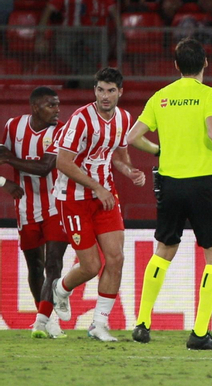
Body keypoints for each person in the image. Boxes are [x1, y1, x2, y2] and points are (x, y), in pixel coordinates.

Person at [124, 38, 212, 350]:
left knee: (164, 249)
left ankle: (142, 322)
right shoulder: (211, 95)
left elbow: (132, 137)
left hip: (169, 184)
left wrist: (158, 149)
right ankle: (199, 333)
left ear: (177, 66)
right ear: (206, 63)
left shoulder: (161, 96)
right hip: (203, 184)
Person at [48, 67, 148, 343]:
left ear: (120, 92)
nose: (105, 96)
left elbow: (118, 156)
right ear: (94, 91)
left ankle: (99, 324)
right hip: (74, 198)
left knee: (116, 259)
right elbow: (63, 162)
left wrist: (130, 172)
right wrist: (97, 187)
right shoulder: (80, 119)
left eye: (111, 91)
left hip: (104, 196)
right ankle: (62, 288)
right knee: (91, 266)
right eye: (101, 90)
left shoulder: (124, 119)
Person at [1, 87, 67, 338]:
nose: (57, 110)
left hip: (55, 205)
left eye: (58, 104)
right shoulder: (13, 126)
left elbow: (44, 168)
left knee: (54, 263)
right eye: (51, 105)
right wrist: (4, 183)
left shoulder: (60, 130)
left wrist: (9, 159)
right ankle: (45, 315)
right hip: (26, 207)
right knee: (34, 265)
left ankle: (46, 319)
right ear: (35, 107)